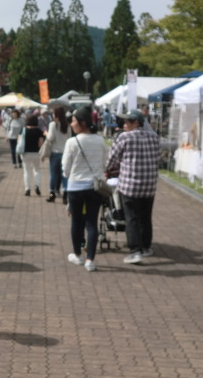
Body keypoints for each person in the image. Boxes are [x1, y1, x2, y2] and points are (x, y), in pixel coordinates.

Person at [106, 109, 160, 265]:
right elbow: (157, 157)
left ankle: (135, 250)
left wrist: (109, 169)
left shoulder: (125, 137)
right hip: (149, 184)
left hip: (130, 185)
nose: (124, 124)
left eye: (127, 121)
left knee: (132, 218)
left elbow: (112, 159)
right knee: (145, 217)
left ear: (136, 122)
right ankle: (146, 247)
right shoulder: (154, 137)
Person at [62, 107, 108, 272]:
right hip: (95, 187)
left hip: (76, 186)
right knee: (91, 223)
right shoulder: (100, 140)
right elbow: (104, 163)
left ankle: (78, 255)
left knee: (77, 222)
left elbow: (65, 168)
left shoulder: (72, 142)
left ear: (82, 123)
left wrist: (70, 175)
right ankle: (90, 260)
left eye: (74, 121)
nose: (71, 124)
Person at [44, 107, 70, 204]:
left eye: (53, 113)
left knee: (53, 174)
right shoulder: (67, 125)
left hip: (55, 152)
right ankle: (65, 194)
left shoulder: (53, 124)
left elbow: (50, 138)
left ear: (56, 115)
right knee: (64, 174)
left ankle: (52, 194)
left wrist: (46, 133)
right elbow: (69, 139)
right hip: (65, 153)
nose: (52, 115)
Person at [20, 114, 44, 196]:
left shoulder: (23, 130)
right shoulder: (39, 131)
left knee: (26, 171)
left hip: (25, 153)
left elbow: (19, 141)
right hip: (36, 153)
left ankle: (27, 188)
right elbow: (40, 144)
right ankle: (37, 186)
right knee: (37, 170)